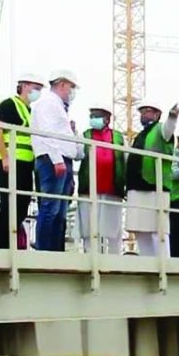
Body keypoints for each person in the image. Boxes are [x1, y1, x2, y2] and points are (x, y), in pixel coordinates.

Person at [30, 70, 83, 252]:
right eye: (71, 87)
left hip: (61, 160)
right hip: (52, 160)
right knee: (51, 208)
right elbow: (46, 133)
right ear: (62, 84)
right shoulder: (47, 103)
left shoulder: (57, 106)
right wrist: (56, 159)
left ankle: (55, 249)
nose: (72, 92)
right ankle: (45, 249)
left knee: (60, 211)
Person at [0, 73, 44, 250]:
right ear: (23, 86)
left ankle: (8, 245)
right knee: (8, 205)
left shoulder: (29, 111)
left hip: (26, 165)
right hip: (11, 163)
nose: (38, 92)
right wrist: (5, 156)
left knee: (21, 206)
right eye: (35, 87)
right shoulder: (9, 104)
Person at [125, 101, 179, 257]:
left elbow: (168, 130)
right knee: (140, 228)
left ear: (157, 114)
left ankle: (163, 263)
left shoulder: (160, 130)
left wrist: (172, 117)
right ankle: (147, 261)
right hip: (137, 186)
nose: (143, 115)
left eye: (147, 111)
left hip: (155, 187)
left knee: (159, 229)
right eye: (142, 112)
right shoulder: (141, 135)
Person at [76, 104, 126, 255]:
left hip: (112, 188)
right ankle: (90, 256)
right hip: (89, 187)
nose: (93, 118)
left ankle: (115, 257)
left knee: (113, 227)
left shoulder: (117, 136)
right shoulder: (85, 135)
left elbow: (125, 158)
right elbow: (78, 154)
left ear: (107, 118)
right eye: (91, 115)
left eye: (96, 115)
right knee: (89, 225)